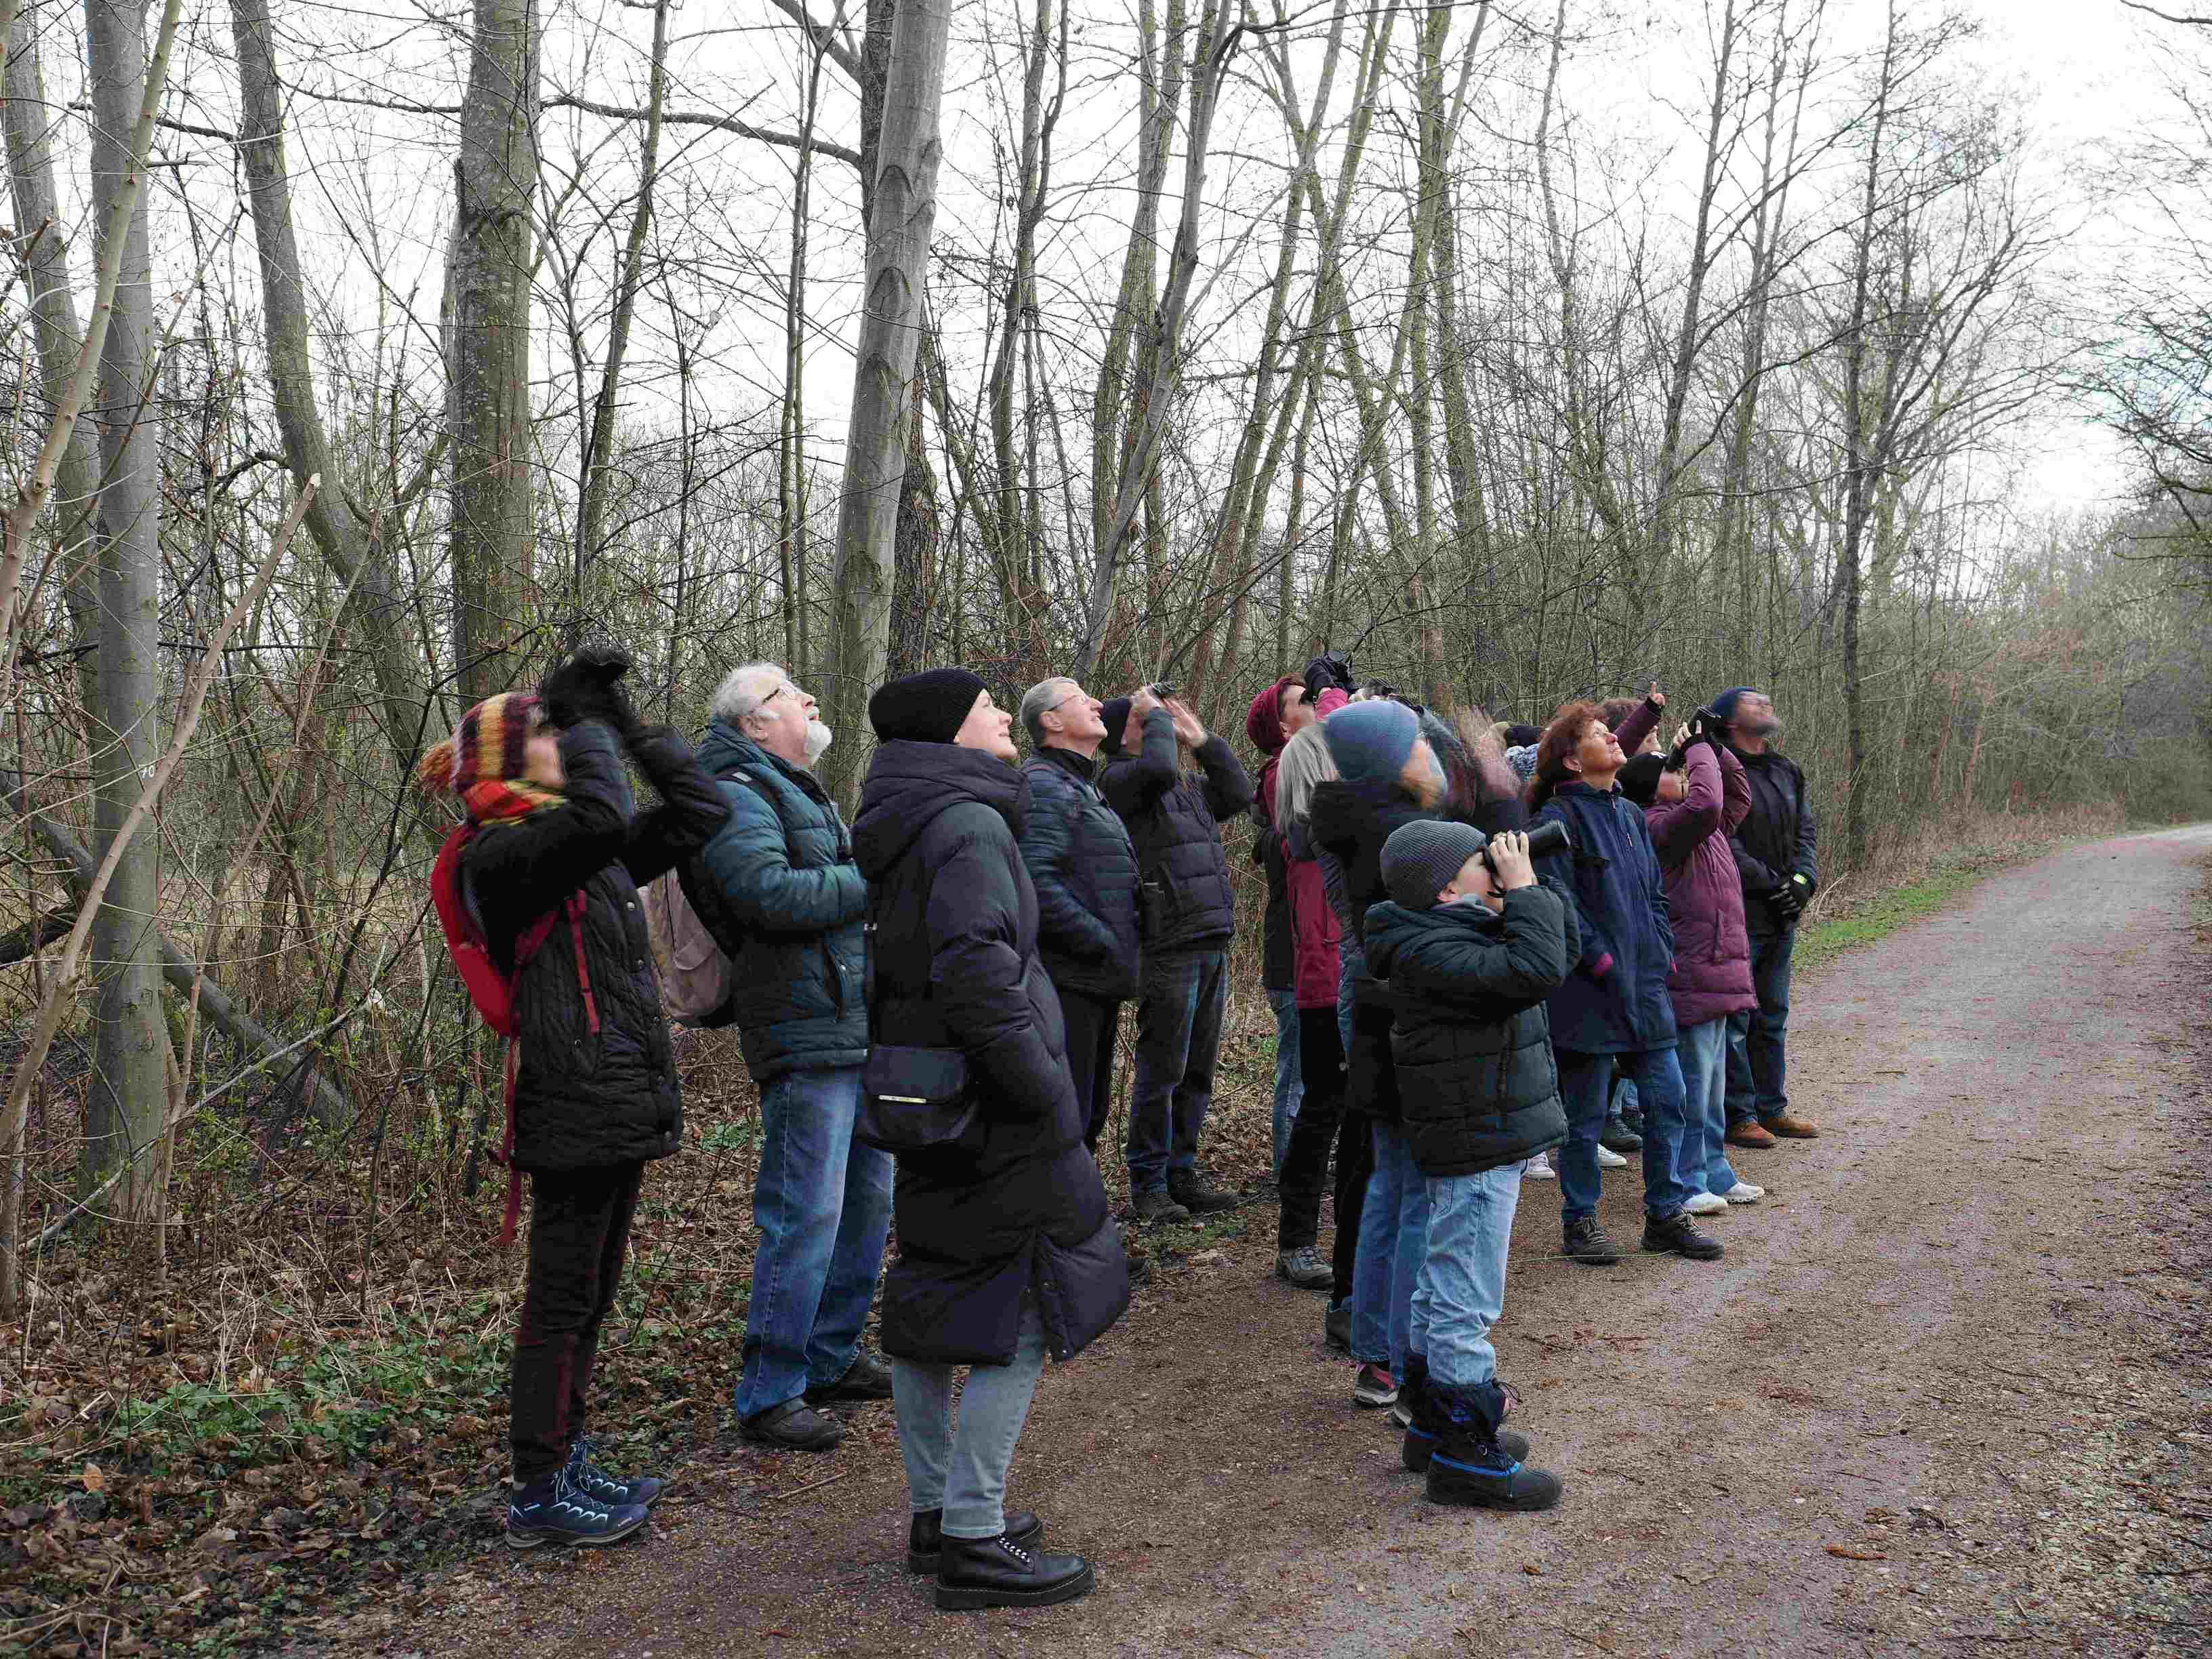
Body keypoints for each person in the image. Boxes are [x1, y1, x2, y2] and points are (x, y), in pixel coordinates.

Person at [417, 649, 729, 1548]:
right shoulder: (503, 854)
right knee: (560, 1298)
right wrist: (587, 723)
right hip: (571, 1098)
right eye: (551, 733)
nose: (569, 745)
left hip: (614, 1092)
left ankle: (564, 1457)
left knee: (589, 1291)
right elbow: (604, 812)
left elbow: (705, 810)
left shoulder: (572, 846)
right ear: (517, 756)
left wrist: (621, 722)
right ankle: (539, 1489)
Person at [852, 668, 1128, 1612]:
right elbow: (978, 974)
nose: (1002, 716)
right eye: (984, 707)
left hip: (929, 1099)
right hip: (994, 1105)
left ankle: (937, 1516)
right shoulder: (968, 825)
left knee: (933, 1304)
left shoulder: (913, 819)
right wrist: (1046, 1092)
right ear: (947, 732)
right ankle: (973, 1532)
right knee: (1023, 1311)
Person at [691, 665, 893, 1452]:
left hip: (848, 1026)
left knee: (866, 1205)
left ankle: (831, 1357)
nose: (812, 699)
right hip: (803, 1034)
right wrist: (870, 880)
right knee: (804, 1214)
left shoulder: (795, 786)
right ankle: (770, 1392)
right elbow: (768, 895)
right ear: (753, 723)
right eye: (790, 695)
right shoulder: (741, 792)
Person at [1364, 821, 1573, 1511]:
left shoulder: (1449, 933)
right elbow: (1533, 970)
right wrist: (1525, 890)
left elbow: (1555, 954)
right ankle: (1465, 1454)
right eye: (1484, 863)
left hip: (1480, 1133)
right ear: (1448, 887)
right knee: (1464, 1296)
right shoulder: (1432, 949)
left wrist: (1527, 889)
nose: (1500, 868)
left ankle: (1431, 1427)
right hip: (1476, 1139)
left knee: (1441, 1285)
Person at [1528, 703, 1722, 1267]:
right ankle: (1579, 1223)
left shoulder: (1632, 816)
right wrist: (1605, 963)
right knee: (1584, 1119)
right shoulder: (1557, 820)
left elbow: (1653, 897)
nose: (1613, 737)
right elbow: (1561, 906)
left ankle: (1665, 1215)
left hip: (1649, 989)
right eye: (1597, 734)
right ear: (1571, 758)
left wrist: (1662, 953)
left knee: (1669, 1102)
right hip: (1590, 994)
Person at [1309, 697, 1446, 1408]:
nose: (1430, 749)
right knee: (1416, 1191)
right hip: (1406, 1012)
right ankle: (1402, 1356)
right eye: (1418, 740)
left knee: (1391, 1186)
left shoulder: (1351, 819)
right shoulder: (1401, 833)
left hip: (1372, 1006)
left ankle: (1377, 1354)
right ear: (1392, 760)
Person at [1096, 688, 1253, 1222]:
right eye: (1147, 722)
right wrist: (1157, 718)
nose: (1160, 727)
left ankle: (1182, 1171)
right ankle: (1149, 1182)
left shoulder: (1185, 786)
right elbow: (1157, 770)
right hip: (1168, 945)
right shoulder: (1119, 781)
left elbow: (1238, 791)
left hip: (1210, 936)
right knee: (1162, 1070)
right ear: (1125, 733)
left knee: (1198, 1070)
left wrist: (1203, 739)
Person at [1016, 676, 1151, 1286]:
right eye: (1080, 699)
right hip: (1070, 980)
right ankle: (1057, 1260)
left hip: (1096, 980)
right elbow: (1037, 881)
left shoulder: (1080, 785)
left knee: (1088, 1116)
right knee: (1068, 1120)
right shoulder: (1044, 786)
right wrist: (1101, 939)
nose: (1098, 704)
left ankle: (1078, 1252)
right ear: (1050, 721)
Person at [1618, 722, 1766, 1212]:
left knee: (1713, 1087)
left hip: (1718, 971)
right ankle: (1686, 1181)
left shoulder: (1701, 828)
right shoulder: (1659, 826)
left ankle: (1715, 1173)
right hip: (1690, 976)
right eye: (1669, 769)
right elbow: (1707, 804)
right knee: (1691, 1089)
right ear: (1645, 787)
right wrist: (1698, 749)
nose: (1680, 772)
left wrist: (1715, 749)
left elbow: (1735, 796)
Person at [1711, 687, 1822, 1147]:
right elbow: (1720, 835)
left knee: (1773, 1015)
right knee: (1737, 1020)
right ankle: (1737, 1115)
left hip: (1782, 915)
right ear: (1729, 719)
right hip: (1738, 912)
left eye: (1766, 700)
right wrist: (1769, 882)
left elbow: (1806, 829)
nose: (1765, 704)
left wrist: (1803, 880)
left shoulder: (1785, 769)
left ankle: (1771, 1109)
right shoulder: (1715, 766)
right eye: (1753, 701)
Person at [1271, 723, 1353, 1296]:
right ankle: (1297, 1242)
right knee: (1322, 1114)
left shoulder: (1319, 837)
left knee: (1336, 1115)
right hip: (1326, 989)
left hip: (1335, 983)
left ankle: (1323, 1238)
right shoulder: (1307, 841)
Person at [1247, 674, 1330, 1181]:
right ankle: (1291, 1175)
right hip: (1295, 952)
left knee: (1316, 1072)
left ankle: (1307, 1169)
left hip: (1317, 944)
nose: (1318, 705)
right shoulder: (1281, 774)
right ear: (1282, 724)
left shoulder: (1306, 771)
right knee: (1299, 1073)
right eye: (1307, 701)